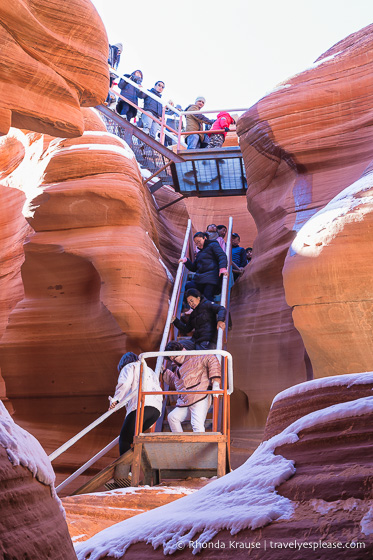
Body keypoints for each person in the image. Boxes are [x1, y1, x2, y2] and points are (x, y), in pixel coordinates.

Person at [108, 352, 163, 458]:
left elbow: (124, 384)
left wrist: (115, 400)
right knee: (131, 438)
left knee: (124, 439)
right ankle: (132, 468)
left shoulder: (129, 367)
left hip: (141, 407)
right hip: (155, 410)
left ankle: (126, 472)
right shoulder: (150, 370)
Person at [163, 341, 221, 433]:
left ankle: (199, 447)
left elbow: (211, 358)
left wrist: (215, 378)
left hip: (200, 396)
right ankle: (182, 444)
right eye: (171, 358)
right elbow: (176, 383)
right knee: (172, 417)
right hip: (186, 400)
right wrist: (164, 372)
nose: (173, 360)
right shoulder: (178, 369)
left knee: (196, 424)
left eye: (174, 357)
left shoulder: (197, 357)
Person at [180, 231, 228, 301]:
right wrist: (186, 261)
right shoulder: (199, 254)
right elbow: (194, 268)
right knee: (189, 287)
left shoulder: (213, 245)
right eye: (196, 243)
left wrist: (222, 268)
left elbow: (221, 255)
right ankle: (194, 309)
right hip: (199, 278)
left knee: (207, 295)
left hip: (211, 277)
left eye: (199, 241)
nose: (198, 244)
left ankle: (211, 311)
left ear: (205, 238)